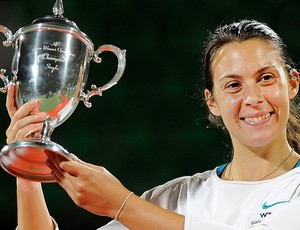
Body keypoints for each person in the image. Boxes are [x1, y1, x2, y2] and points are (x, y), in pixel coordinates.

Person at [6, 19, 300, 230]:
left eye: (266, 78)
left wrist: (122, 204)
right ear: (212, 102)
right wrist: (27, 171)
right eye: (233, 85)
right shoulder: (173, 198)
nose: (252, 98)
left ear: (292, 84)